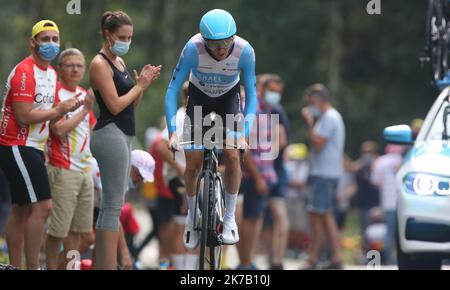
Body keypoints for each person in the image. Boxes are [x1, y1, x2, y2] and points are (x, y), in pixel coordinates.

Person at [165, 9, 257, 249]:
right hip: (199, 99)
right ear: (204, 41)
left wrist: (243, 133)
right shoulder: (192, 48)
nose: (221, 49)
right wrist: (172, 131)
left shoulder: (244, 51)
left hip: (229, 99)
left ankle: (229, 220)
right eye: (215, 45)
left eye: (227, 43)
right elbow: (173, 90)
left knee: (232, 154)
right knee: (193, 163)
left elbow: (253, 96)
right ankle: (192, 215)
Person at [0, 20, 83, 269]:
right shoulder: (25, 71)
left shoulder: (51, 74)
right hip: (16, 144)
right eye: (45, 39)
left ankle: (15, 266)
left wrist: (71, 109)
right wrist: (59, 108)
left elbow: (51, 114)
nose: (51, 44)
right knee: (44, 207)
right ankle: (34, 266)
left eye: (55, 40)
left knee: (22, 209)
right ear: (33, 42)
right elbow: (24, 115)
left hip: (34, 146)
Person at [89, 10, 161, 269]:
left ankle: (102, 264)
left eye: (130, 37)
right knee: (112, 206)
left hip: (123, 134)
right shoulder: (99, 64)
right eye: (122, 36)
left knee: (112, 207)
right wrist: (138, 86)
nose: (126, 41)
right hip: (109, 134)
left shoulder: (118, 61)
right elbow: (116, 106)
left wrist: (142, 85)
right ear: (107, 35)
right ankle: (109, 265)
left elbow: (132, 105)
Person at [44, 48, 96, 270]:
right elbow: (58, 130)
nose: (75, 69)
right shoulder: (55, 93)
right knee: (58, 231)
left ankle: (69, 268)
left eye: (79, 65)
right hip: (63, 168)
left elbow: (91, 128)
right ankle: (50, 267)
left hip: (85, 170)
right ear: (60, 69)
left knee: (79, 232)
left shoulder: (85, 93)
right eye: (70, 65)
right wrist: (83, 111)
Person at [300, 84, 345, 270]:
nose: (310, 107)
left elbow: (318, 144)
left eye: (311, 103)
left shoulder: (329, 117)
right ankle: (333, 257)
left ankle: (315, 258)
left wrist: (309, 123)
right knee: (323, 215)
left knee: (321, 215)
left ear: (318, 101)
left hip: (324, 174)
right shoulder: (331, 117)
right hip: (326, 173)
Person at [371, 144, 403, 265]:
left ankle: (389, 260)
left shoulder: (380, 161)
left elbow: (375, 181)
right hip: (406, 205)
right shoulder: (406, 159)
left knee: (389, 233)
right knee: (402, 234)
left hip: (388, 202)